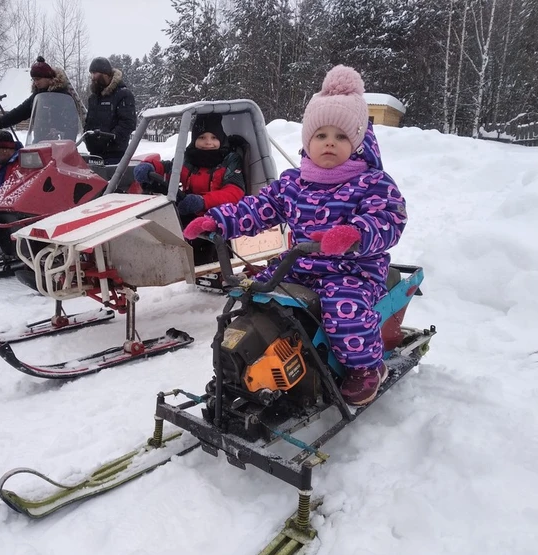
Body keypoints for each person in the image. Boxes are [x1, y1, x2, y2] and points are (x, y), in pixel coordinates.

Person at [183, 65, 408, 406]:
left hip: (352, 272)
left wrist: (354, 235)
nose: (329, 142)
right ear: (307, 141)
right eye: (321, 135)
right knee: (254, 296)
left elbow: (389, 219)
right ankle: (251, 366)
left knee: (342, 310)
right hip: (299, 266)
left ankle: (366, 369)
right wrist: (216, 221)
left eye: (341, 136)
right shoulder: (293, 183)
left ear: (359, 143)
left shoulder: (372, 183)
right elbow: (257, 208)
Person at [133, 113, 246, 264]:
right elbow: (170, 168)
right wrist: (151, 165)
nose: (208, 143)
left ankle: (206, 268)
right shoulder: (189, 157)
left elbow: (235, 192)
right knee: (156, 223)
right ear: (194, 139)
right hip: (189, 209)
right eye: (202, 138)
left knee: (197, 240)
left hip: (220, 215)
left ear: (221, 139)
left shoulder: (230, 160)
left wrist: (202, 200)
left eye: (213, 138)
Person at [0, 56, 87, 131]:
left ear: (49, 78)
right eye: (34, 79)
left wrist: (62, 136)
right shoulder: (36, 97)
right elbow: (19, 113)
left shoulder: (64, 97)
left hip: (61, 146)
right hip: (39, 145)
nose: (36, 82)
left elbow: (71, 125)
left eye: (38, 79)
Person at [83, 57, 136, 164]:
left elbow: (128, 123)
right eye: (91, 74)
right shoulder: (93, 98)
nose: (92, 77)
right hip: (94, 154)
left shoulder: (123, 95)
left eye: (95, 73)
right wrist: (87, 137)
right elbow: (89, 122)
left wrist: (109, 138)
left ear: (105, 74)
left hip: (115, 155)